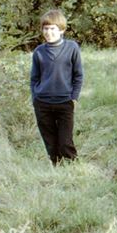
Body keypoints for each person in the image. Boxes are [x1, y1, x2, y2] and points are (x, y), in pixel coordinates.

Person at [30, 9, 83, 165]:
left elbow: (78, 75)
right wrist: (35, 98)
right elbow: (34, 79)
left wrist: (74, 98)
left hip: (64, 103)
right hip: (43, 104)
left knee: (65, 142)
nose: (48, 32)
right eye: (45, 28)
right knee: (50, 143)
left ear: (61, 30)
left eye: (52, 28)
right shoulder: (39, 52)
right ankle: (57, 170)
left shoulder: (72, 48)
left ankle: (74, 170)